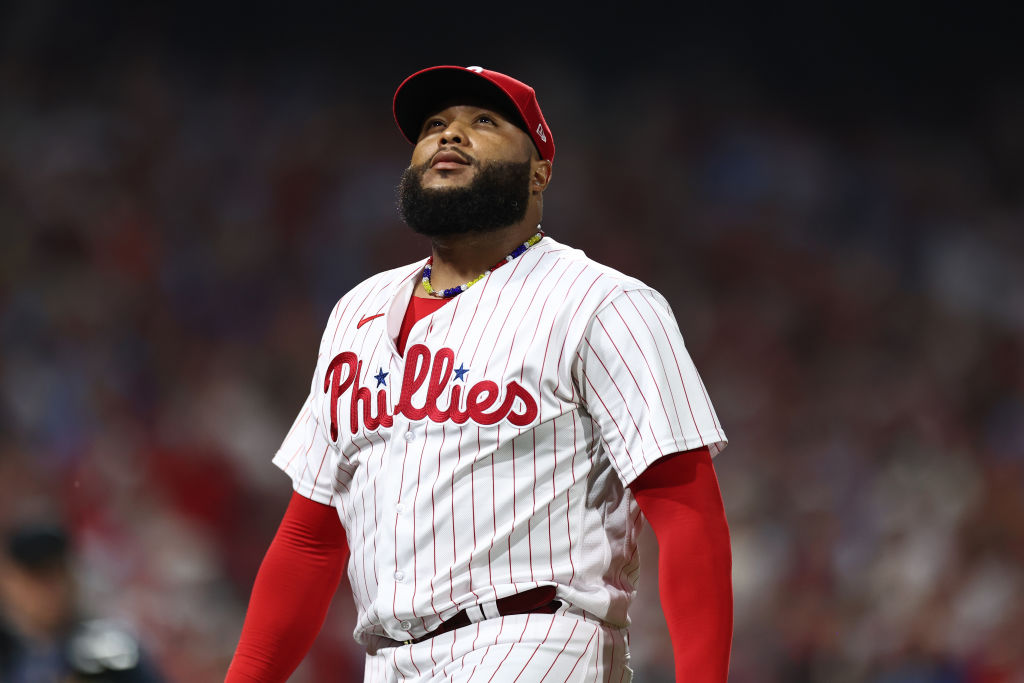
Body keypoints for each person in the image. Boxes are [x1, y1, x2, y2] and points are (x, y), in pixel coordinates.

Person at [226, 65, 732, 682]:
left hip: (534, 639)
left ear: (540, 170)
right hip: (386, 658)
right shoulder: (356, 311)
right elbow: (311, 540)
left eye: (483, 123)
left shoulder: (602, 302)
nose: (449, 135)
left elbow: (686, 509)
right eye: (435, 125)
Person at [0, 523, 165, 683]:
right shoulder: (11, 655)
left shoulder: (106, 648)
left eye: (60, 573)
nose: (53, 588)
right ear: (11, 585)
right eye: (38, 578)